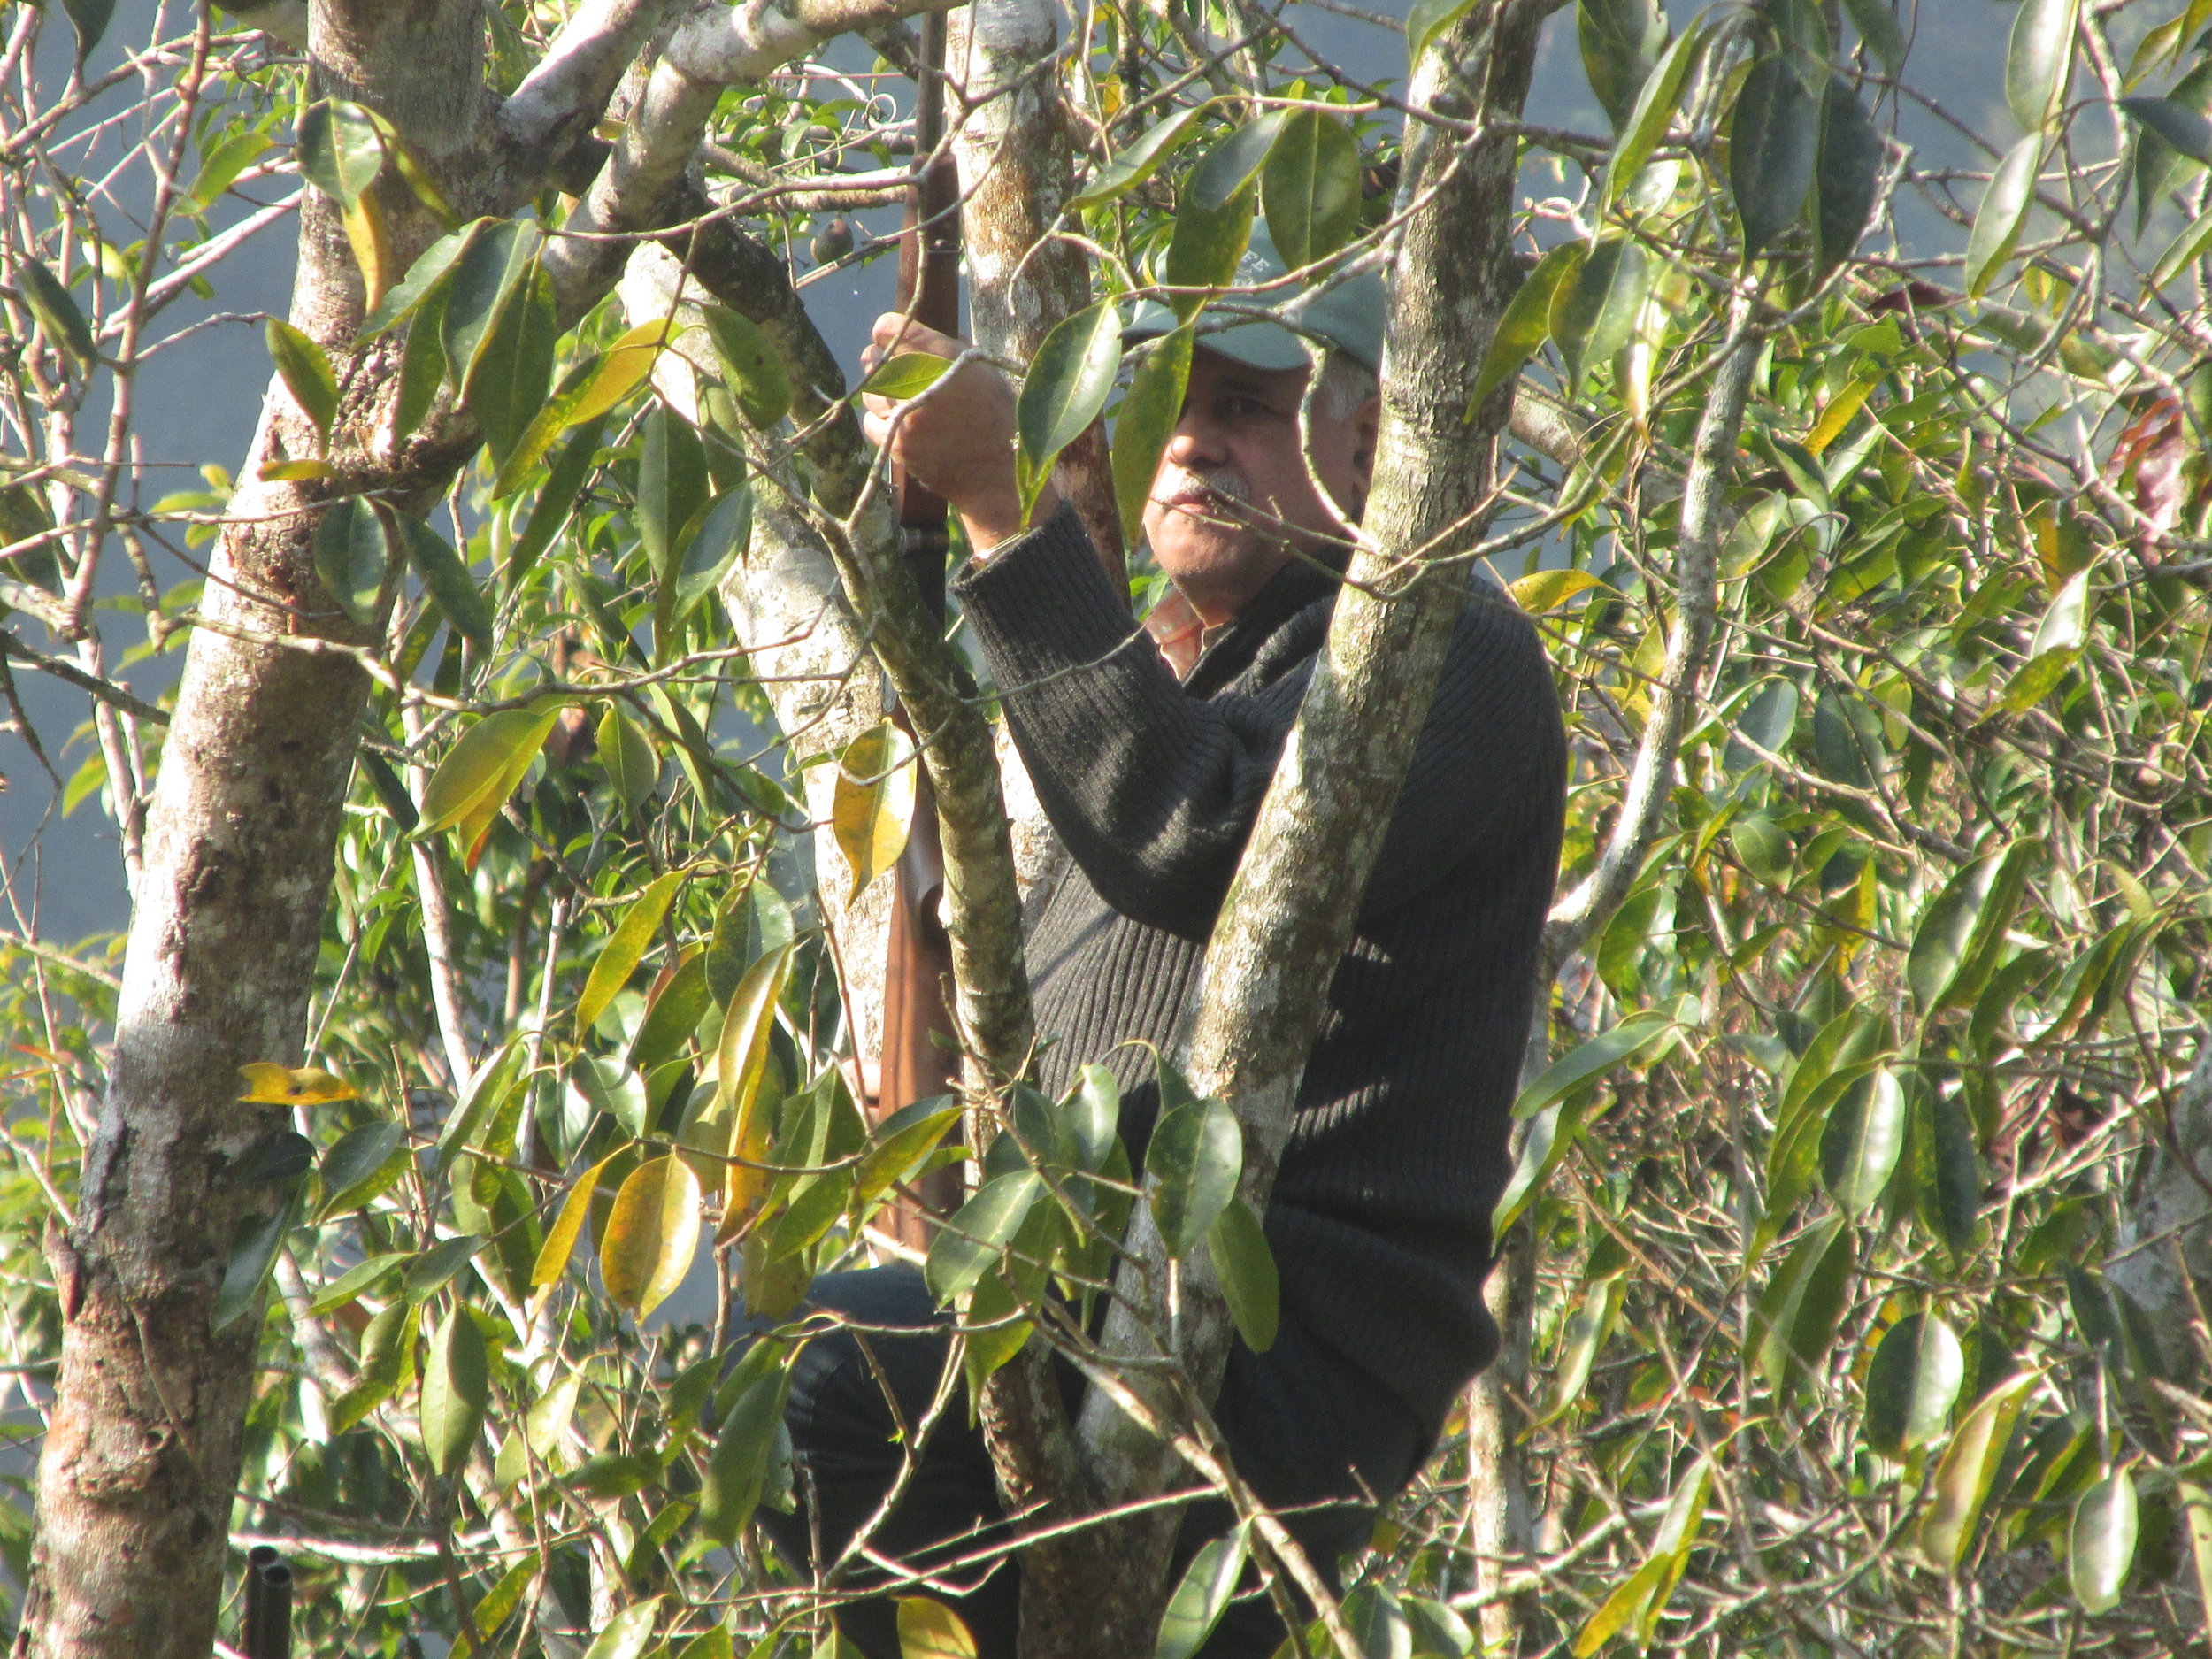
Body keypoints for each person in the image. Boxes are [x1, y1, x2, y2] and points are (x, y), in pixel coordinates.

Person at [746, 233, 1567, 1658]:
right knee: (775, 1405)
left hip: (1279, 1339)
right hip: (1101, 1297)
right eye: (1173, 407)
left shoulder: (1450, 648)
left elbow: (1205, 837)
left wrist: (1005, 511)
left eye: (1249, 408)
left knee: (820, 1382)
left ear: (1374, 445)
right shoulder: (1179, 674)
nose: (1194, 442)